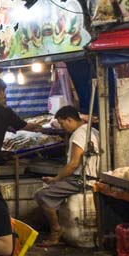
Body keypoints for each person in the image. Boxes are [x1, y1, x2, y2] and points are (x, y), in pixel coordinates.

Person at [34, 106, 99, 247]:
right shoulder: (92, 130)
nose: (63, 128)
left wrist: (56, 179)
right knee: (49, 187)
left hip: (82, 179)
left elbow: (73, 164)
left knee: (42, 195)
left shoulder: (78, 134)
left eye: (62, 123)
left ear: (69, 120)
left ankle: (56, 230)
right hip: (88, 176)